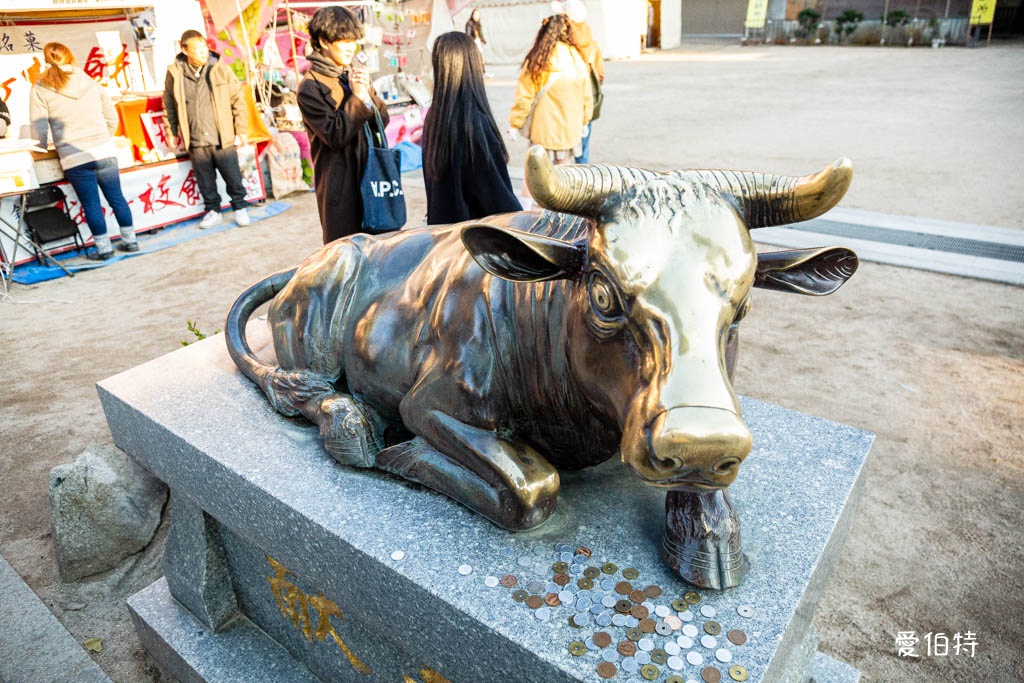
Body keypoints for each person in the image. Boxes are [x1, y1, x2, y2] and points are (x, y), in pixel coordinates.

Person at [29, 42, 137, 260]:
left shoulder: (40, 86)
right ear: (71, 57)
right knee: (117, 198)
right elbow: (111, 117)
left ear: (46, 61)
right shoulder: (89, 81)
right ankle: (130, 241)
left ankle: (104, 249)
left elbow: (38, 125)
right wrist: (103, 137)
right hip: (104, 151)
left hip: (73, 155)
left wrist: (40, 147)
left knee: (91, 204)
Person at [297, 6, 389, 244]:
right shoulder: (310, 86)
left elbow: (383, 121)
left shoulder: (352, 74)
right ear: (323, 41)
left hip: (370, 176)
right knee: (346, 253)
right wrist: (357, 98)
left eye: (353, 41)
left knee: (380, 249)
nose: (351, 47)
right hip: (340, 186)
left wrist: (368, 94)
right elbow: (334, 134)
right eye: (344, 40)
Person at [421, 32, 520, 225]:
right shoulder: (473, 123)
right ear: (472, 65)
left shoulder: (435, 116)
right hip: (473, 242)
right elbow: (497, 197)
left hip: (443, 237)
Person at [163, 29, 250, 229]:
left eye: (204, 47)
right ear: (184, 50)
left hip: (222, 135)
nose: (203, 52)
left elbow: (238, 99)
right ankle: (213, 211)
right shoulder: (175, 73)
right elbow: (168, 104)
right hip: (195, 136)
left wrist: (241, 129)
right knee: (205, 180)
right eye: (197, 49)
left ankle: (240, 207)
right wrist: (171, 132)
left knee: (232, 175)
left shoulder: (219, 68)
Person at [508, 13, 592, 200]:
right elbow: (587, 96)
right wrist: (585, 121)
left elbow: (524, 96)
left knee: (534, 172)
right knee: (564, 172)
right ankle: (561, 215)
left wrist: (515, 123)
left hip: (542, 129)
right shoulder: (577, 59)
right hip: (569, 129)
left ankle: (526, 214)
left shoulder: (538, 59)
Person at [553, 0, 604, 163]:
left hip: (565, 100)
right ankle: (584, 183)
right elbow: (601, 74)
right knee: (583, 149)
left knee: (560, 153)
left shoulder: (562, 44)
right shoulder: (592, 43)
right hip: (586, 100)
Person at [464, 8, 492, 78]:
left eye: (478, 15)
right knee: (474, 58)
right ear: (472, 15)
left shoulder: (478, 24)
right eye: (475, 14)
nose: (477, 16)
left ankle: (482, 72)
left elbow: (480, 34)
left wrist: (483, 40)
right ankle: (474, 73)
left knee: (480, 58)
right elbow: (468, 34)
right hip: (472, 43)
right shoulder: (469, 24)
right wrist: (471, 43)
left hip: (478, 42)